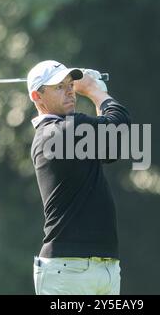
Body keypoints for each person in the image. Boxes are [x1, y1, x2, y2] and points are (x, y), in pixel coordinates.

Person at [27, 60, 130, 295]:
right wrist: (95, 91)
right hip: (68, 271)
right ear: (37, 96)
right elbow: (120, 126)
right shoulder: (61, 130)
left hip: (103, 268)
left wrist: (98, 95)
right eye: (58, 87)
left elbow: (112, 149)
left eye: (70, 84)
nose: (70, 91)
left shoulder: (70, 130)